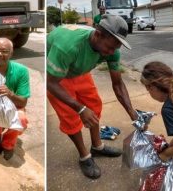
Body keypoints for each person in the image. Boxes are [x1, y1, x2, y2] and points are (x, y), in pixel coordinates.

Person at [46, 14, 138, 179]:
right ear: (98, 34)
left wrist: (132, 112)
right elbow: (51, 83)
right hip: (58, 77)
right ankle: (84, 157)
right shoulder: (67, 47)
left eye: (115, 48)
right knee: (71, 118)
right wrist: (80, 108)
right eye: (109, 47)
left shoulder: (112, 49)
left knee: (94, 107)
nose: (111, 52)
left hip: (80, 71)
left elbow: (117, 83)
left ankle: (97, 146)